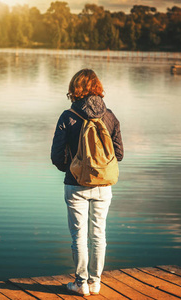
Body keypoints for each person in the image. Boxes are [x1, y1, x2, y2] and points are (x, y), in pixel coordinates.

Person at [51, 69, 124, 296]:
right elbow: (119, 154)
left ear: (76, 88)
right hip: (104, 185)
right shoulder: (110, 116)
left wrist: (72, 169)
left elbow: (56, 156)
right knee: (98, 234)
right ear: (97, 87)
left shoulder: (68, 116)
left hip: (75, 185)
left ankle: (80, 283)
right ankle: (96, 283)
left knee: (79, 237)